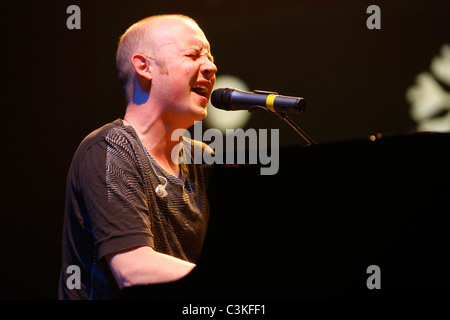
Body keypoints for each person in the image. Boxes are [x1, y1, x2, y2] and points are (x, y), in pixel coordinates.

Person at [58, 14, 218, 300]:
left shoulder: (202, 158)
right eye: (194, 55)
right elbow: (133, 269)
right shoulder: (110, 148)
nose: (210, 66)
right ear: (144, 67)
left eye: (210, 56)